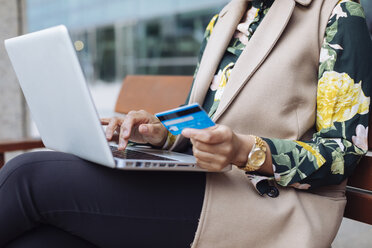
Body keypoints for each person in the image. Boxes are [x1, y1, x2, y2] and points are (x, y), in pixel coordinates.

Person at [1, 0, 371, 247]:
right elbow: (205, 122)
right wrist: (161, 133)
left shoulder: (338, 14)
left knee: (28, 175)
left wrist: (245, 149)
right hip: (203, 181)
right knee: (41, 239)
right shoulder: (228, 16)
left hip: (269, 206)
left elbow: (343, 155)